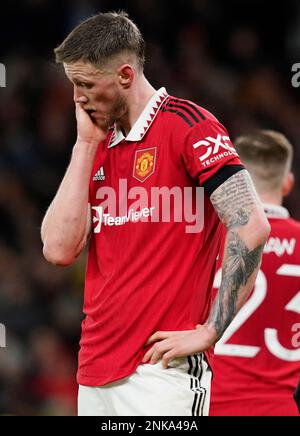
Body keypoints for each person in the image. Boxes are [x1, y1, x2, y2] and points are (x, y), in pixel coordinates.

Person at [41, 11, 270, 416]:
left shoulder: (190, 126)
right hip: (93, 371)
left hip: (162, 372)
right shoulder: (97, 142)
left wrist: (211, 330)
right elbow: (58, 249)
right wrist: (84, 146)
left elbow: (250, 225)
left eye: (86, 85)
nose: (77, 98)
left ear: (125, 76)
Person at [210, 130, 300, 416]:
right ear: (287, 184)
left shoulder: (208, 240)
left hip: (206, 405)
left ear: (236, 182)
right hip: (278, 408)